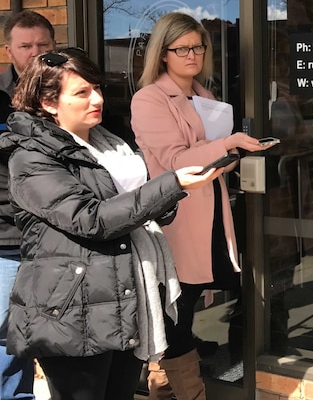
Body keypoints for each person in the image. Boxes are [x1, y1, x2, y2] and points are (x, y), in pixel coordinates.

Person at [0, 47, 222, 400]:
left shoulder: (112, 146)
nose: (97, 99)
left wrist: (165, 198)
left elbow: (140, 208)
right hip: (71, 310)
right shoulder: (32, 157)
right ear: (48, 102)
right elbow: (92, 219)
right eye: (82, 92)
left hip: (124, 297)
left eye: (98, 88)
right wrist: (171, 185)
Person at [130, 12, 274, 399]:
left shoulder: (204, 95)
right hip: (176, 220)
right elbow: (176, 160)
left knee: (185, 306)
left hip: (209, 213)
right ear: (163, 53)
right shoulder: (149, 98)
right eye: (182, 48)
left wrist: (236, 152)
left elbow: (207, 159)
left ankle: (164, 387)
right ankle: (186, 391)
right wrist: (228, 145)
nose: (192, 54)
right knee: (175, 309)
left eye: (198, 46)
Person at [0, 9, 56, 400]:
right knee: (8, 346)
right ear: (8, 50)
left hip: (62, 241)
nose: (35, 53)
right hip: (9, 243)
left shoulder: (72, 93)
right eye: (25, 46)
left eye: (43, 45)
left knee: (64, 341)